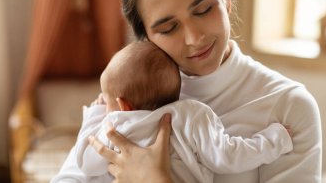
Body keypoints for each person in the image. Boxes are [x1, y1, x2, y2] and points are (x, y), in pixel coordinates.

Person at [88, 0, 322, 183]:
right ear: (145, 37)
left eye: (203, 10)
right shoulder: (128, 101)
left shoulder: (289, 106)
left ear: (227, 0)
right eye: (169, 28)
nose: (194, 38)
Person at [52, 41, 293, 183]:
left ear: (123, 106)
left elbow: (85, 161)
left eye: (106, 100)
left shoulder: (115, 127)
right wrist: (274, 140)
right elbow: (229, 155)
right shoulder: (191, 114)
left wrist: (95, 115)